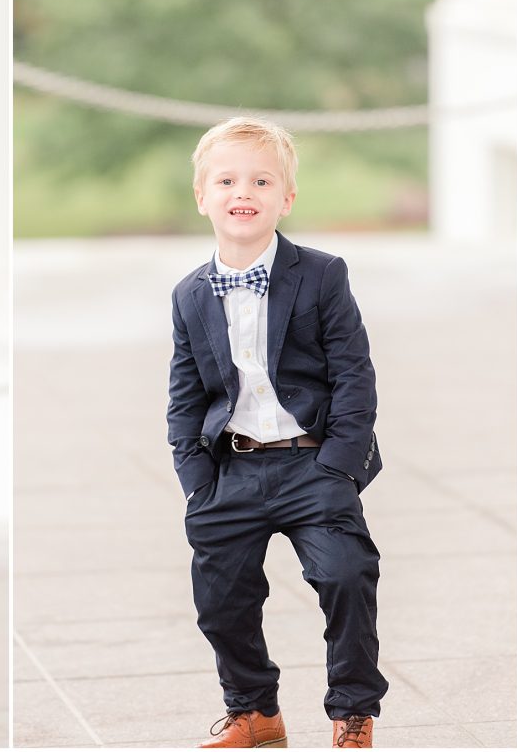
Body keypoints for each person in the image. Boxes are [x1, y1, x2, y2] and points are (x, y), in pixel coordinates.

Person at [167, 117, 387, 749]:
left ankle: (352, 712)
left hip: (312, 462)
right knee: (221, 600)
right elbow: (184, 395)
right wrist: (196, 482)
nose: (245, 191)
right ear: (202, 196)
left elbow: (353, 373)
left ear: (285, 198)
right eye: (228, 179)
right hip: (231, 470)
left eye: (262, 180)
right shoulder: (189, 294)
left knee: (345, 574)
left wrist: (340, 466)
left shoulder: (321, 274)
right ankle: (254, 711)